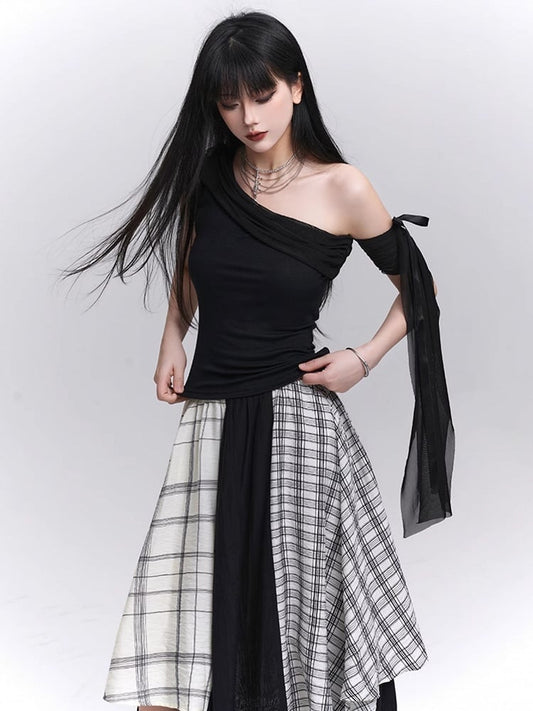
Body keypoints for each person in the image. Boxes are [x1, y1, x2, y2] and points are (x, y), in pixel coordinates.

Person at [60, 10, 455, 711]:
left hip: (300, 430)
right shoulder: (209, 177)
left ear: (296, 87)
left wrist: (363, 358)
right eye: (229, 101)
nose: (248, 116)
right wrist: (173, 334)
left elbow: (419, 291)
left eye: (263, 94)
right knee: (177, 624)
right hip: (210, 423)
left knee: (299, 630)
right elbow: (191, 267)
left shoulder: (342, 188)